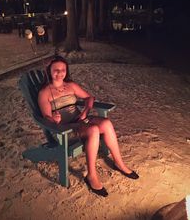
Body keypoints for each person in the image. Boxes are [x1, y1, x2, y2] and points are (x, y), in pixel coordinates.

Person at [38, 56, 139, 197]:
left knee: (107, 123)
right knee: (93, 129)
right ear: (49, 71)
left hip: (80, 120)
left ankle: (119, 163)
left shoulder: (71, 85)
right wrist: (53, 118)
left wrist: (85, 111)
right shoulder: (44, 93)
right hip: (64, 129)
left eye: (63, 70)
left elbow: (89, 98)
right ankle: (91, 175)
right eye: (56, 70)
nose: (60, 73)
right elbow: (46, 117)